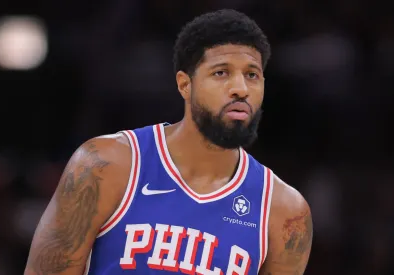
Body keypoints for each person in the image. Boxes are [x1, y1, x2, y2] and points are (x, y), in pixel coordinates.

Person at [24, 9, 313, 275]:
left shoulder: (285, 212)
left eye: (252, 75)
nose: (240, 88)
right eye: (221, 72)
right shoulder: (106, 164)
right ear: (185, 84)